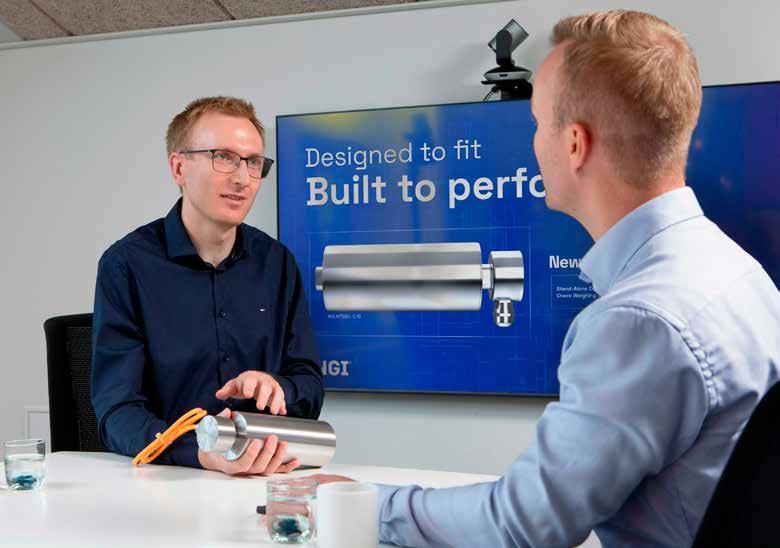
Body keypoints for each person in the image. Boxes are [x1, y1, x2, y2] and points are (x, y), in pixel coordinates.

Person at [311, 10, 780, 547]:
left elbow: (521, 526)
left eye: (537, 123)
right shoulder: (742, 274)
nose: (533, 143)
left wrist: (363, 503)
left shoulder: (638, 322)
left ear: (575, 144)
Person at [91, 96, 324, 476]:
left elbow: (309, 386)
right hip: (166, 482)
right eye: (224, 157)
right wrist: (199, 452)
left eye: (253, 162)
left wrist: (278, 387)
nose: (242, 178)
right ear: (179, 167)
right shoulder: (126, 265)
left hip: (262, 478)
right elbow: (117, 412)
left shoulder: (277, 263)